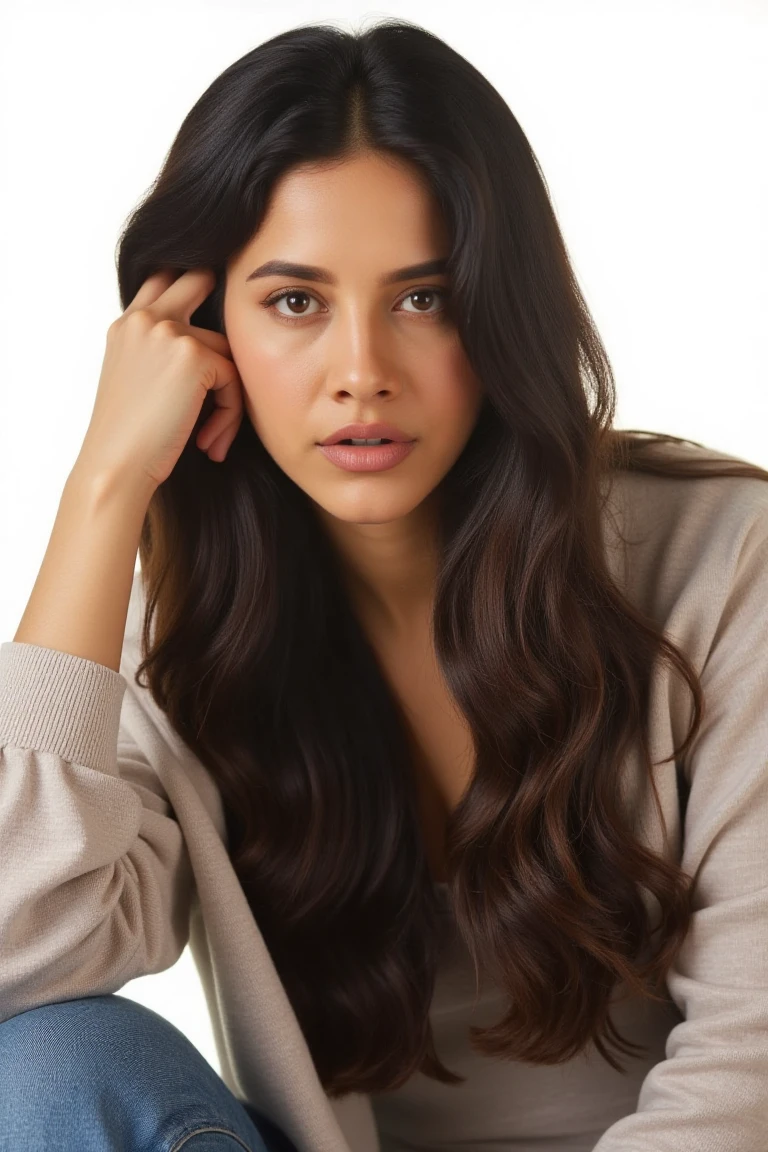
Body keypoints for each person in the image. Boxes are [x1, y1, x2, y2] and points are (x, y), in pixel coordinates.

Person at [1, 16, 767, 1152]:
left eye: (424, 297)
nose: (362, 372)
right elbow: (21, 950)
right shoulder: (185, 626)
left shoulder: (721, 557)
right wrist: (105, 486)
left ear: (503, 310)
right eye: (295, 302)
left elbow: (751, 1057)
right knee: (48, 1071)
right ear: (210, 333)